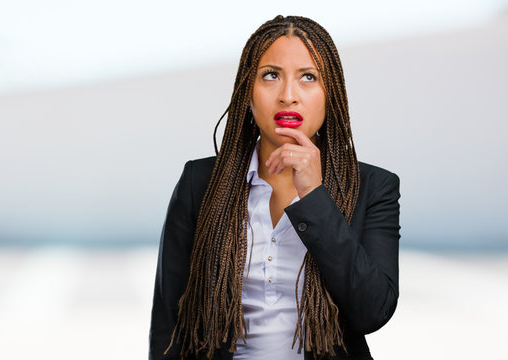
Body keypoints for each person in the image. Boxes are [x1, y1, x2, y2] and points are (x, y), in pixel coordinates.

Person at [149, 15, 401, 360]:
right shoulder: (199, 182)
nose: (288, 96)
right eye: (271, 75)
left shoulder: (375, 187)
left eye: (308, 77)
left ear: (332, 95)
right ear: (246, 92)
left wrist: (314, 196)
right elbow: (169, 322)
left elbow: (372, 311)